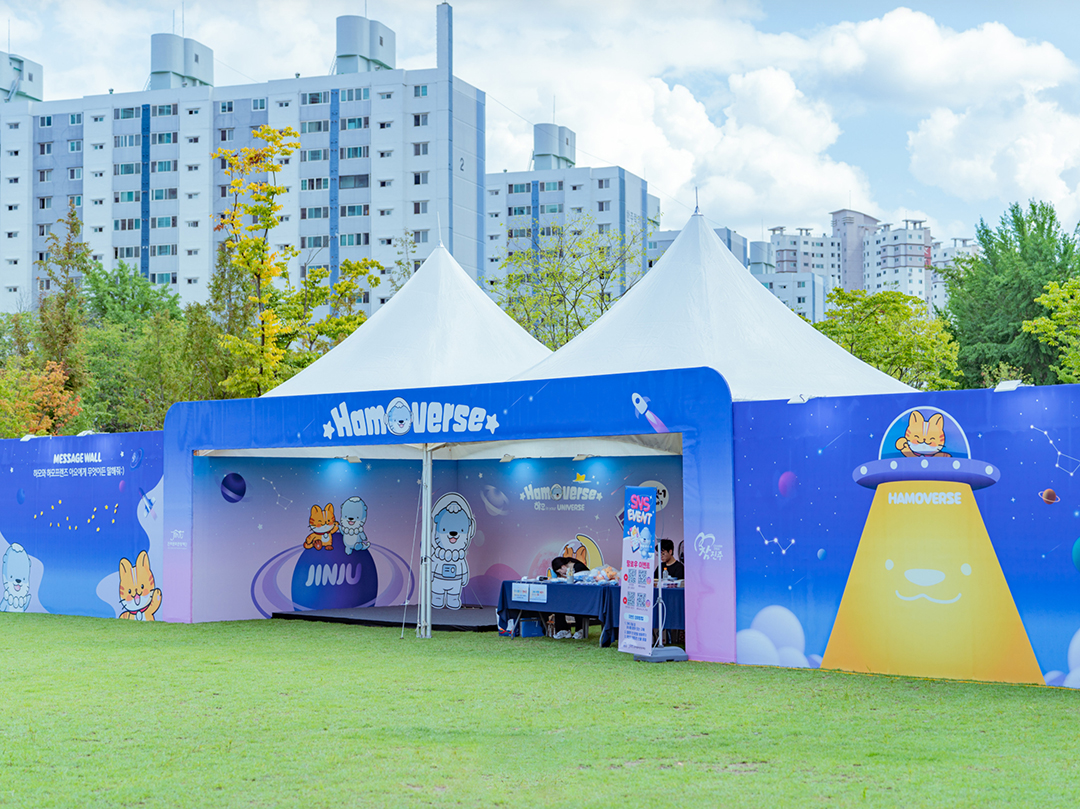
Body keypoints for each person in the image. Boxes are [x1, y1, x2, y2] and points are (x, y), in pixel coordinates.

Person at [550, 556, 590, 639]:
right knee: (558, 603)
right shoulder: (569, 571)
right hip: (572, 595)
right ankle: (563, 629)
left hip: (583, 596)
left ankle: (580, 630)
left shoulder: (579, 567)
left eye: (560, 571)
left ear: (563, 567)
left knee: (578, 604)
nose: (561, 574)